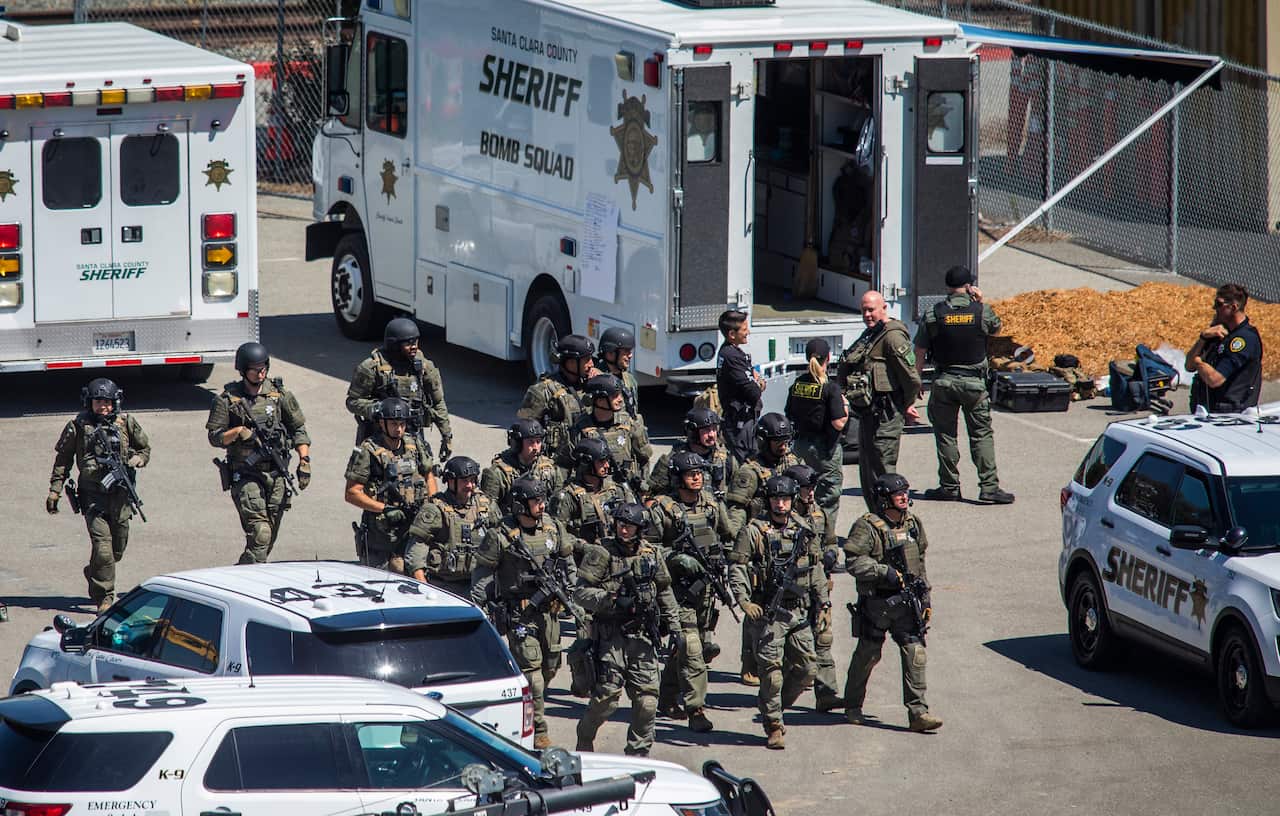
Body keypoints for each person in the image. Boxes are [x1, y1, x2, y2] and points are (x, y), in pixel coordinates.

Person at [471, 477, 580, 750]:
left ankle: (524, 707)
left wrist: (571, 591)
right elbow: (482, 574)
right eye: (536, 501)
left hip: (550, 613)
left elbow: (567, 561)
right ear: (521, 504)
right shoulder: (501, 535)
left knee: (551, 665)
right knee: (533, 675)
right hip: (520, 615)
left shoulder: (553, 528)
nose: (542, 505)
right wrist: (478, 608)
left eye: (543, 500)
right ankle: (538, 729)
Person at [574, 503, 682, 756]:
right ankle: (584, 740)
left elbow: (665, 591)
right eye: (620, 524)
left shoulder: (652, 554)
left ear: (640, 528)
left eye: (629, 525)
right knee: (607, 698)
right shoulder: (602, 553)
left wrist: (675, 627)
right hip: (611, 636)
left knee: (647, 701)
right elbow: (580, 593)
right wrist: (611, 600)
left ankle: (638, 754)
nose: (624, 529)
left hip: (643, 636)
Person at [729, 475, 828, 749]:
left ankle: (774, 706)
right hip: (768, 614)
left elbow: (816, 569)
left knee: (807, 669)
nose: (781, 504)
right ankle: (774, 725)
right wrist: (744, 601)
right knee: (771, 674)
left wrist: (824, 603)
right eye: (776, 499)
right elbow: (737, 566)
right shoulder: (753, 532)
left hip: (797, 612)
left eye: (785, 499)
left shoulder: (803, 529)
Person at [843, 472, 943, 733]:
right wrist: (882, 572)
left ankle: (918, 712)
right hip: (877, 604)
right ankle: (852, 705)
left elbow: (920, 563)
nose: (903, 497)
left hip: (908, 605)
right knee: (868, 654)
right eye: (897, 494)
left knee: (916, 654)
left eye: (905, 492)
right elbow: (853, 562)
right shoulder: (867, 527)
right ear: (883, 499)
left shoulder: (913, 524)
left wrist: (925, 597)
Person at [646, 451, 735, 732]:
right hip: (675, 590)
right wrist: (676, 557)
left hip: (705, 589)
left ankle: (668, 694)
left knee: (686, 648)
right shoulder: (662, 509)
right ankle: (696, 708)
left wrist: (724, 560)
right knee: (692, 648)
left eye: (699, 473)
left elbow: (729, 538)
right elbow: (648, 547)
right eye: (690, 473)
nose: (697, 477)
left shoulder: (711, 505)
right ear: (677, 477)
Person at [46, 378, 151, 613]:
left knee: (116, 551)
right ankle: (104, 597)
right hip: (93, 497)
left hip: (121, 498)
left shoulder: (127, 423)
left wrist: (138, 459)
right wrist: (55, 490)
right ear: (89, 402)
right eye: (97, 402)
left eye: (107, 402)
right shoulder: (78, 426)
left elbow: (145, 448)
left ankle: (95, 571)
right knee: (103, 549)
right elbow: (63, 460)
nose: (102, 406)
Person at [913, 266, 1014, 505]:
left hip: (944, 382)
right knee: (981, 435)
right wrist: (981, 300)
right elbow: (998, 329)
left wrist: (916, 380)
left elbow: (919, 350)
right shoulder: (981, 311)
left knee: (946, 435)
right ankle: (989, 487)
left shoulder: (933, 314)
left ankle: (949, 486)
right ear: (969, 286)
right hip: (974, 384)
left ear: (948, 287)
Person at [206, 342, 311, 564]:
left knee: (267, 538)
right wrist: (237, 431)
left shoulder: (279, 395)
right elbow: (215, 437)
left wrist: (304, 460)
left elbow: (298, 429)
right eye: (255, 369)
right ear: (243, 370)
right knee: (261, 534)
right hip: (246, 474)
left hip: (277, 473)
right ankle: (248, 580)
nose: (261, 373)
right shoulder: (227, 400)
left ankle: (242, 572)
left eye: (264, 368)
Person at [724, 411, 800, 686]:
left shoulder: (792, 462)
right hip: (757, 540)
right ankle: (750, 663)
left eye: (786, 439)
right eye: (777, 440)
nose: (783, 445)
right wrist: (736, 540)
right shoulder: (750, 472)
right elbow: (736, 509)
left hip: (787, 535)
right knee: (757, 602)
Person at [839, 290, 922, 513]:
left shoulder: (892, 337)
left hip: (886, 416)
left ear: (883, 308)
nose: (867, 314)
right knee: (867, 470)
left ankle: (891, 522)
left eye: (871, 310)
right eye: (863, 310)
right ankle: (876, 519)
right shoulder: (870, 334)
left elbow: (911, 377)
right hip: (868, 415)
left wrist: (907, 405)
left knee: (883, 471)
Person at [344, 397, 434, 573]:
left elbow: (428, 476)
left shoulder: (414, 444)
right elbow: (352, 493)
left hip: (413, 530)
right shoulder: (368, 450)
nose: (399, 428)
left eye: (402, 423)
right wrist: (384, 508)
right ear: (381, 423)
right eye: (394, 423)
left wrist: (431, 507)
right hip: (381, 537)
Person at [346, 317, 452, 457]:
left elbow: (438, 403)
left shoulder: (424, 367)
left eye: (415, 341)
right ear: (394, 344)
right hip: (379, 438)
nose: (414, 346)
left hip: (413, 435)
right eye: (408, 343)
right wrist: (378, 409)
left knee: (424, 471)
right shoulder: (371, 368)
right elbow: (352, 401)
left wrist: (446, 435)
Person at [784, 464, 844, 713]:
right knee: (791, 646)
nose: (811, 492)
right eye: (807, 488)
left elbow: (830, 540)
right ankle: (778, 698)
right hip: (791, 590)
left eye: (813, 487)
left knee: (823, 637)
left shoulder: (818, 513)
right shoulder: (781, 516)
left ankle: (826, 692)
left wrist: (831, 554)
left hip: (818, 586)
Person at [406, 456, 500, 596]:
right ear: (450, 481)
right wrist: (424, 587)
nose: (469, 485)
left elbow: (502, 540)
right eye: (464, 481)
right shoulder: (435, 509)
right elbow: (416, 550)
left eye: (472, 480)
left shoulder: (485, 505)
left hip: (480, 584)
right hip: (444, 585)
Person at [785, 338, 848, 542]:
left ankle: (801, 537)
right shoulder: (830, 388)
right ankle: (825, 543)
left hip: (801, 446)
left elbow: (789, 412)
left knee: (802, 494)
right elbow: (839, 423)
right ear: (828, 358)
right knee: (827, 498)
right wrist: (845, 408)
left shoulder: (798, 383)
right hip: (824, 451)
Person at [558, 374, 651, 495]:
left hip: (626, 492)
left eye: (620, 394)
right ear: (599, 399)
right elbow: (564, 466)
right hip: (592, 497)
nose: (620, 399)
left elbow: (644, 458)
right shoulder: (579, 429)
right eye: (614, 396)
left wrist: (644, 488)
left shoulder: (629, 423)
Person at [549, 437, 636, 555]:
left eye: (607, 460)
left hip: (618, 551)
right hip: (587, 556)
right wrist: (583, 546)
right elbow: (557, 534)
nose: (606, 465)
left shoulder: (616, 489)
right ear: (586, 463)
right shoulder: (567, 497)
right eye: (601, 461)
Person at [1186, 283, 1263, 413]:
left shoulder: (1243, 340)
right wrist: (1203, 337)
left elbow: (1214, 379)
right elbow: (1188, 366)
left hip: (1229, 415)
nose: (1214, 308)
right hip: (1207, 410)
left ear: (1233, 307)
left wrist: (1198, 362)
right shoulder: (1219, 332)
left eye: (1219, 304)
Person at [518, 334, 596, 454]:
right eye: (586, 360)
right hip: (557, 461)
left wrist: (598, 384)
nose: (591, 364)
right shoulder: (542, 391)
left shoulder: (594, 382)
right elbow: (525, 428)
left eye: (591, 358)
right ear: (570, 362)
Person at [646, 406, 734, 498]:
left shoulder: (725, 459)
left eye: (714, 429)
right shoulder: (672, 460)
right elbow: (651, 495)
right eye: (706, 430)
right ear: (693, 432)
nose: (712, 434)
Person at [481, 418, 563, 512]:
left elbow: (558, 503)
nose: (536, 448)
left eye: (538, 441)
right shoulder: (498, 472)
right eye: (531, 442)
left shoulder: (549, 469)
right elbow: (489, 510)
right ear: (517, 444)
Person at [716, 309, 764, 463]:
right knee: (747, 464)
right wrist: (759, 383)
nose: (748, 332)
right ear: (731, 334)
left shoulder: (729, 352)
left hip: (741, 421)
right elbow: (754, 392)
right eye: (744, 329)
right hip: (740, 423)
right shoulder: (732, 356)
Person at [597, 326, 641, 419]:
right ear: (610, 353)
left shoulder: (629, 379)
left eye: (630, 351)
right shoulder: (597, 381)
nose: (630, 355)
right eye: (626, 351)